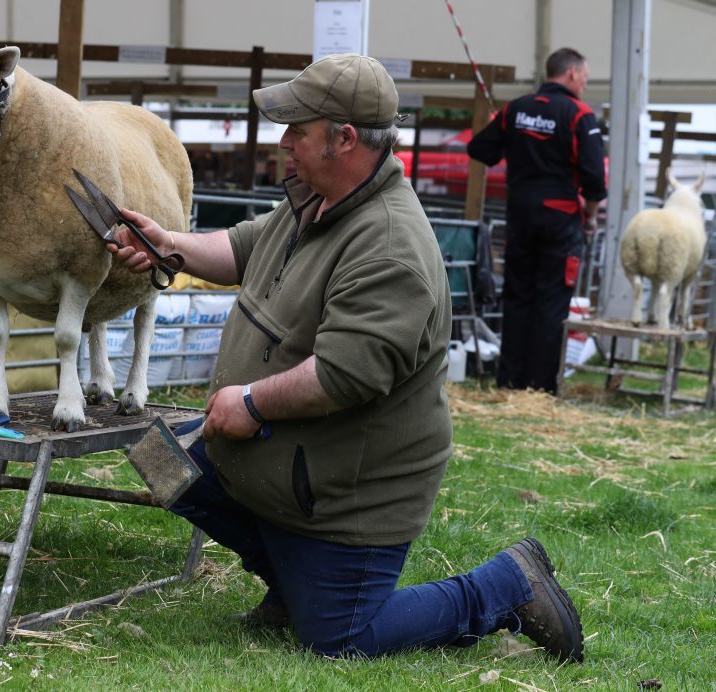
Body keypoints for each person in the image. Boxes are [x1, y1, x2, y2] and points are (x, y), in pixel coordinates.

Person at [110, 53, 584, 662]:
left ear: (345, 138)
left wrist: (251, 402)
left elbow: (341, 375)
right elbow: (243, 248)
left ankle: (504, 586)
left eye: (298, 131)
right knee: (165, 459)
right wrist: (168, 245)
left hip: (350, 487)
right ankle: (292, 585)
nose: (284, 142)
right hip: (289, 455)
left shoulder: (389, 245)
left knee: (342, 638)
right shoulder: (318, 198)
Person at [468, 47, 607, 394]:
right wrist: (589, 218)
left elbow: (480, 150)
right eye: (585, 78)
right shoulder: (579, 115)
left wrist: (499, 128)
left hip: (520, 216)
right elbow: (594, 181)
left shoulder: (516, 109)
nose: (585, 85)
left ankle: (509, 382)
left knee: (516, 297)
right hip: (560, 218)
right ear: (572, 73)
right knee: (551, 301)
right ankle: (541, 388)